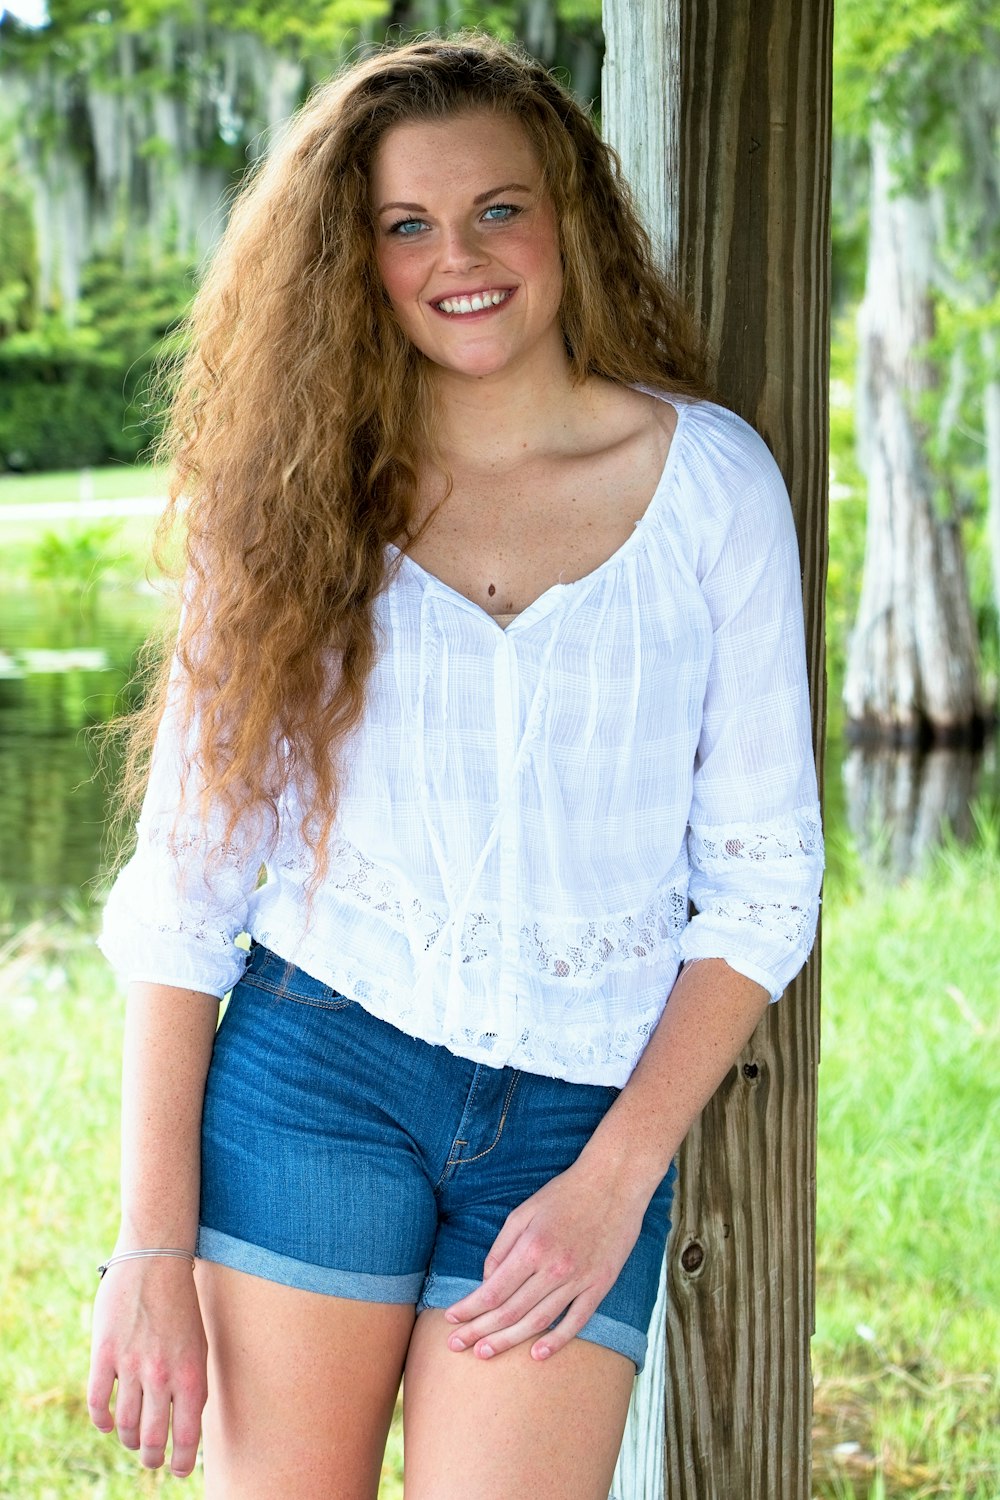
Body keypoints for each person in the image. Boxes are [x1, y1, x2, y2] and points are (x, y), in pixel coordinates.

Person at [87, 33, 824, 1500]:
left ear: (570, 216)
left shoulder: (711, 488)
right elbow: (183, 894)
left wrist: (612, 1185)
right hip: (316, 1075)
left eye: (498, 207)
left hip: (572, 1116)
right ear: (351, 260)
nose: (458, 257)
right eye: (404, 225)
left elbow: (761, 891)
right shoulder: (293, 505)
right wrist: (149, 1249)